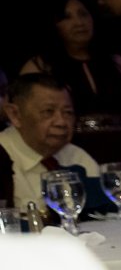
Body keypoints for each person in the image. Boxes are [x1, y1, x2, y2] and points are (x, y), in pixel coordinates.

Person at [20, 0, 121, 121]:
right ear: (54, 24)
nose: (79, 23)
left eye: (83, 14)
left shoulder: (116, 62)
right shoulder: (40, 67)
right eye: (67, 17)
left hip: (120, 138)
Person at [1, 74, 103, 209]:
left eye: (68, 112)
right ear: (15, 115)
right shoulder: (2, 156)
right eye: (48, 112)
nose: (61, 122)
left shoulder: (76, 156)